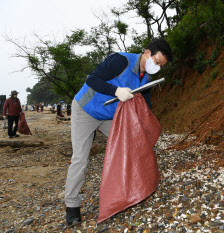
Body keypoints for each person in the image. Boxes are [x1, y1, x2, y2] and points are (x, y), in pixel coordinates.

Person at [64, 38, 173, 227]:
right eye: (157, 62)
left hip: (109, 117)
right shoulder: (120, 61)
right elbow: (92, 79)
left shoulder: (145, 78)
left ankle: (129, 191)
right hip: (86, 110)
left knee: (132, 145)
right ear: (147, 53)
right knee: (80, 158)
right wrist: (116, 91)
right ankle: (71, 207)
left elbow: (145, 107)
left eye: (161, 66)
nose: (157, 68)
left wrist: (147, 129)